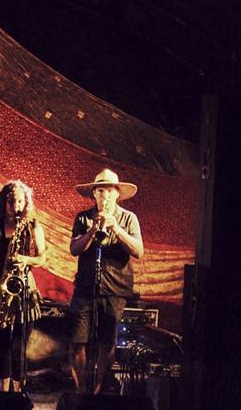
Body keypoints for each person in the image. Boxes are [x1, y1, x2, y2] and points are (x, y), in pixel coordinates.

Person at [68, 169, 144, 394]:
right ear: (94, 194)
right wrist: (93, 230)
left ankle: (98, 392)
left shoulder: (129, 218)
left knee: (107, 342)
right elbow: (74, 249)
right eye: (100, 191)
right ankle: (81, 391)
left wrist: (115, 228)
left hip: (114, 289)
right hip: (85, 287)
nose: (105, 196)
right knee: (76, 341)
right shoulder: (83, 218)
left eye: (110, 191)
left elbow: (138, 251)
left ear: (117, 194)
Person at [0, 180, 46, 392]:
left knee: (18, 347)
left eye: (20, 201)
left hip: (23, 291)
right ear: (3, 202)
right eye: (11, 201)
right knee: (0, 347)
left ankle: (17, 394)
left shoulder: (33, 226)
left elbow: (42, 258)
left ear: (26, 202)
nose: (16, 206)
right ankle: (2, 393)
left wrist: (25, 260)